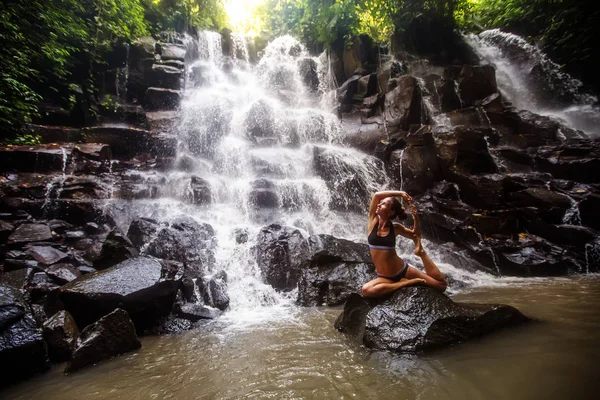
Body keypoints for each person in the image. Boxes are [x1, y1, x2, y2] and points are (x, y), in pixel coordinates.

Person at [361, 190, 447, 298]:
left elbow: (415, 236)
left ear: (391, 212)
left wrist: (415, 218)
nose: (378, 204)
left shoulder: (396, 228)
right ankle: (404, 283)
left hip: (402, 271)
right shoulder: (372, 221)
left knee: (441, 285)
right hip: (385, 277)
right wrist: (401, 193)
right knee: (366, 290)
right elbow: (376, 195)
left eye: (383, 204)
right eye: (380, 203)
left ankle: (421, 253)